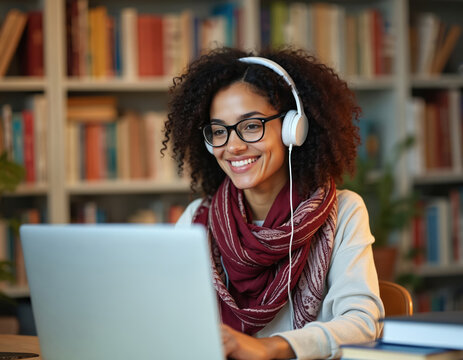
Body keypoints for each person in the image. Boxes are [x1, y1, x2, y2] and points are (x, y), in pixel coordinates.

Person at [164, 47, 384, 360]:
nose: (234, 146)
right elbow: (171, 321)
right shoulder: (196, 220)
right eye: (219, 131)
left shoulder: (343, 212)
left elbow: (362, 323)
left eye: (251, 126)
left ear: (294, 128)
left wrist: (271, 347)